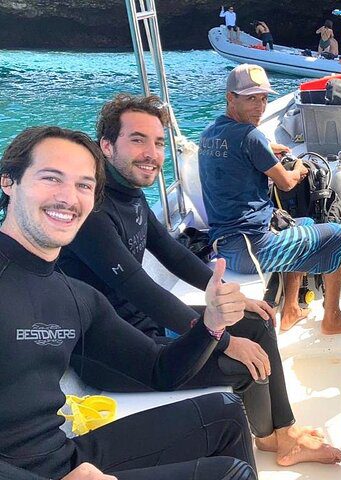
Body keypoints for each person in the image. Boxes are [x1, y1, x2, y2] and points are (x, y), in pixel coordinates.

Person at [58, 93, 341, 467]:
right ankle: (272, 439)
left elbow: (174, 254)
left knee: (257, 321)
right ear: (107, 146)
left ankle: (283, 435)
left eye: (159, 142)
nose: (151, 152)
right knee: (245, 363)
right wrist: (224, 340)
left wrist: (232, 298)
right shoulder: (94, 211)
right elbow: (138, 287)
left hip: (145, 326)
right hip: (113, 355)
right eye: (137, 140)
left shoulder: (129, 194)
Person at [0, 126, 255, 479]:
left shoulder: (75, 296)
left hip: (63, 457)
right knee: (230, 474)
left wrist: (212, 323)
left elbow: (160, 371)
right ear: (8, 182)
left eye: (84, 185)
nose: (68, 197)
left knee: (226, 412)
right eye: (51, 178)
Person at [198, 64, 341, 335]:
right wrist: (299, 169)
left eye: (263, 99)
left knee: (299, 222)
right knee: (338, 235)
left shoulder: (209, 134)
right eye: (250, 99)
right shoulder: (250, 136)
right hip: (251, 249)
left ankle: (291, 308)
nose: (260, 107)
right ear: (230, 97)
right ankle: (333, 317)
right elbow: (287, 182)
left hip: (225, 244)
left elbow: (236, 152)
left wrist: (266, 149)